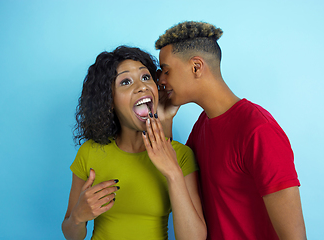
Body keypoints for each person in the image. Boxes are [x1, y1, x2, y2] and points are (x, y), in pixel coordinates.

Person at [155, 21, 307, 240]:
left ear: (196, 67)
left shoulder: (258, 130)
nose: (161, 80)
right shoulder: (202, 125)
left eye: (166, 71)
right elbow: (178, 181)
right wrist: (166, 120)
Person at [61, 46, 206, 240]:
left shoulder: (180, 155)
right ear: (110, 100)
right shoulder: (89, 152)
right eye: (126, 81)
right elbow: (72, 235)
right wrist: (78, 217)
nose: (142, 86)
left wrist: (173, 173)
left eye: (146, 78)